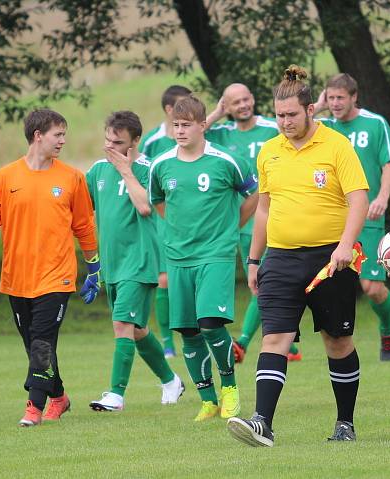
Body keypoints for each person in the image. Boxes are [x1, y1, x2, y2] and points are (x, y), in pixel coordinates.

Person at [227, 65, 369, 447]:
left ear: (310, 110)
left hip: (330, 259)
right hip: (281, 259)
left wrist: (344, 246)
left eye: (291, 114)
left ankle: (344, 423)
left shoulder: (337, 145)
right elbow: (263, 209)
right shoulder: (270, 151)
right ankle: (263, 423)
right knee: (275, 338)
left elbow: (359, 199)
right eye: (279, 115)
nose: (285, 122)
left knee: (337, 342)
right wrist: (255, 260)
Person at [0, 109, 100, 426]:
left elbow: (84, 227)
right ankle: (60, 397)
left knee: (42, 340)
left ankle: (33, 408)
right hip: (17, 277)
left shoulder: (72, 178)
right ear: (38, 135)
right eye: (58, 134)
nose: (63, 141)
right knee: (36, 346)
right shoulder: (5, 177)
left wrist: (94, 267)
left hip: (57, 277)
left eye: (64, 134)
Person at [149, 95, 259, 421]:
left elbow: (255, 195)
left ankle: (230, 389)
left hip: (216, 254)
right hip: (179, 256)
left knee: (211, 324)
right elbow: (158, 201)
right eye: (176, 126)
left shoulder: (226, 160)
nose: (180, 131)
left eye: (186, 126)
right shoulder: (162, 164)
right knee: (188, 330)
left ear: (202, 125)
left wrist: (231, 227)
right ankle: (208, 399)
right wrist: (178, 231)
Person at [85, 111, 185, 411]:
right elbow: (79, 210)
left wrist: (126, 170)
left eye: (119, 143)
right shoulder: (98, 170)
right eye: (108, 141)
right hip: (112, 264)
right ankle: (170, 380)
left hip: (140, 260)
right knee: (136, 328)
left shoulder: (149, 169)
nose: (111, 148)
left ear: (136, 141)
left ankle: (116, 395)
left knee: (122, 323)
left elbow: (145, 207)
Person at [204, 83, 302, 363]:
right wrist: (217, 113)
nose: (243, 105)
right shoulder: (221, 134)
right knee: (258, 283)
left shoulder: (273, 126)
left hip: (274, 214)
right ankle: (290, 347)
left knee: (266, 281)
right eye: (235, 102)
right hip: (241, 219)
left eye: (247, 99)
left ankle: (243, 341)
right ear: (227, 106)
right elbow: (194, 133)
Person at [313, 73, 390, 360]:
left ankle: (387, 330)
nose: (335, 103)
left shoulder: (375, 124)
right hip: (331, 219)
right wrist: (319, 106)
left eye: (341, 97)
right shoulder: (321, 126)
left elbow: (389, 163)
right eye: (331, 97)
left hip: (367, 216)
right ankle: (336, 342)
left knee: (372, 287)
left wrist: (382, 198)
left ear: (354, 97)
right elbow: (289, 129)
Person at [140, 84, 193, 359]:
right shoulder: (152, 142)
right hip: (162, 219)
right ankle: (167, 343)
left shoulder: (194, 132)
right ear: (169, 110)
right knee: (164, 280)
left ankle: (191, 333)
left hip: (192, 219)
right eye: (184, 104)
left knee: (190, 279)